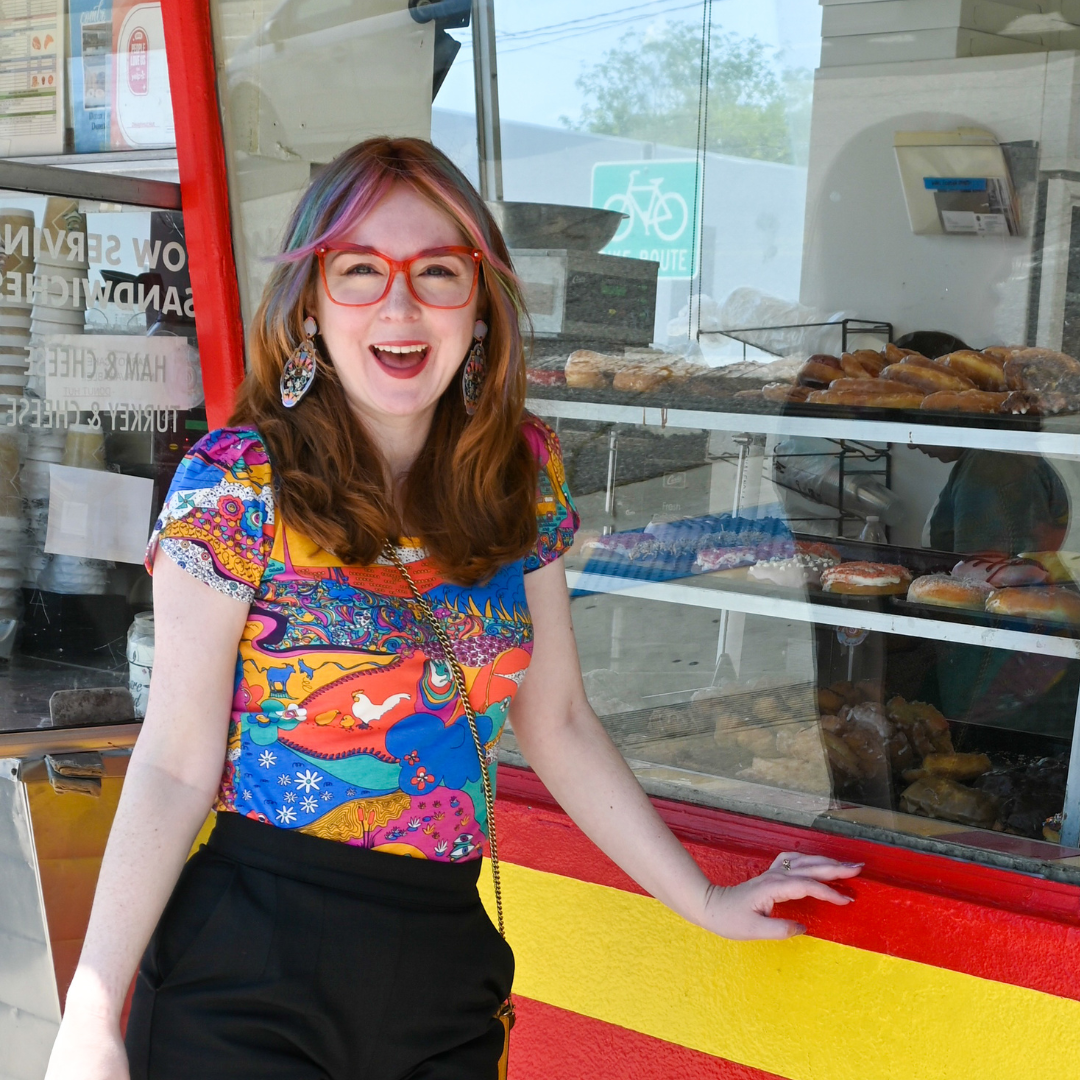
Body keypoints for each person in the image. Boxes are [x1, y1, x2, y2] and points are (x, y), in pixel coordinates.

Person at [45, 138, 861, 1080]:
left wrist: (703, 900)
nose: (399, 306)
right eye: (360, 272)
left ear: (479, 309)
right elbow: (175, 765)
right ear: (310, 306)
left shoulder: (520, 475)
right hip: (247, 966)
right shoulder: (235, 485)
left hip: (446, 970)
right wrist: (92, 1014)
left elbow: (554, 720)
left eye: (437, 272)